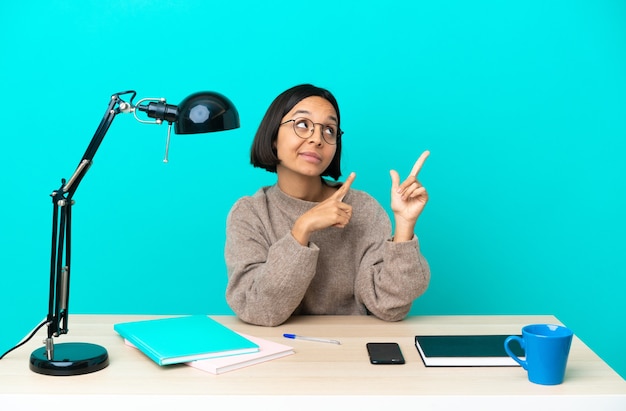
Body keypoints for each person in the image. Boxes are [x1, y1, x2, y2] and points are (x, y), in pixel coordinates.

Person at [225, 84, 430, 326]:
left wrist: (404, 228)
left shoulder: (363, 208)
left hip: (353, 351)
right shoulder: (250, 213)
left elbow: (390, 307)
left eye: (329, 130)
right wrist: (302, 229)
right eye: (302, 125)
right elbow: (259, 309)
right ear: (272, 138)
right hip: (279, 354)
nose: (317, 139)